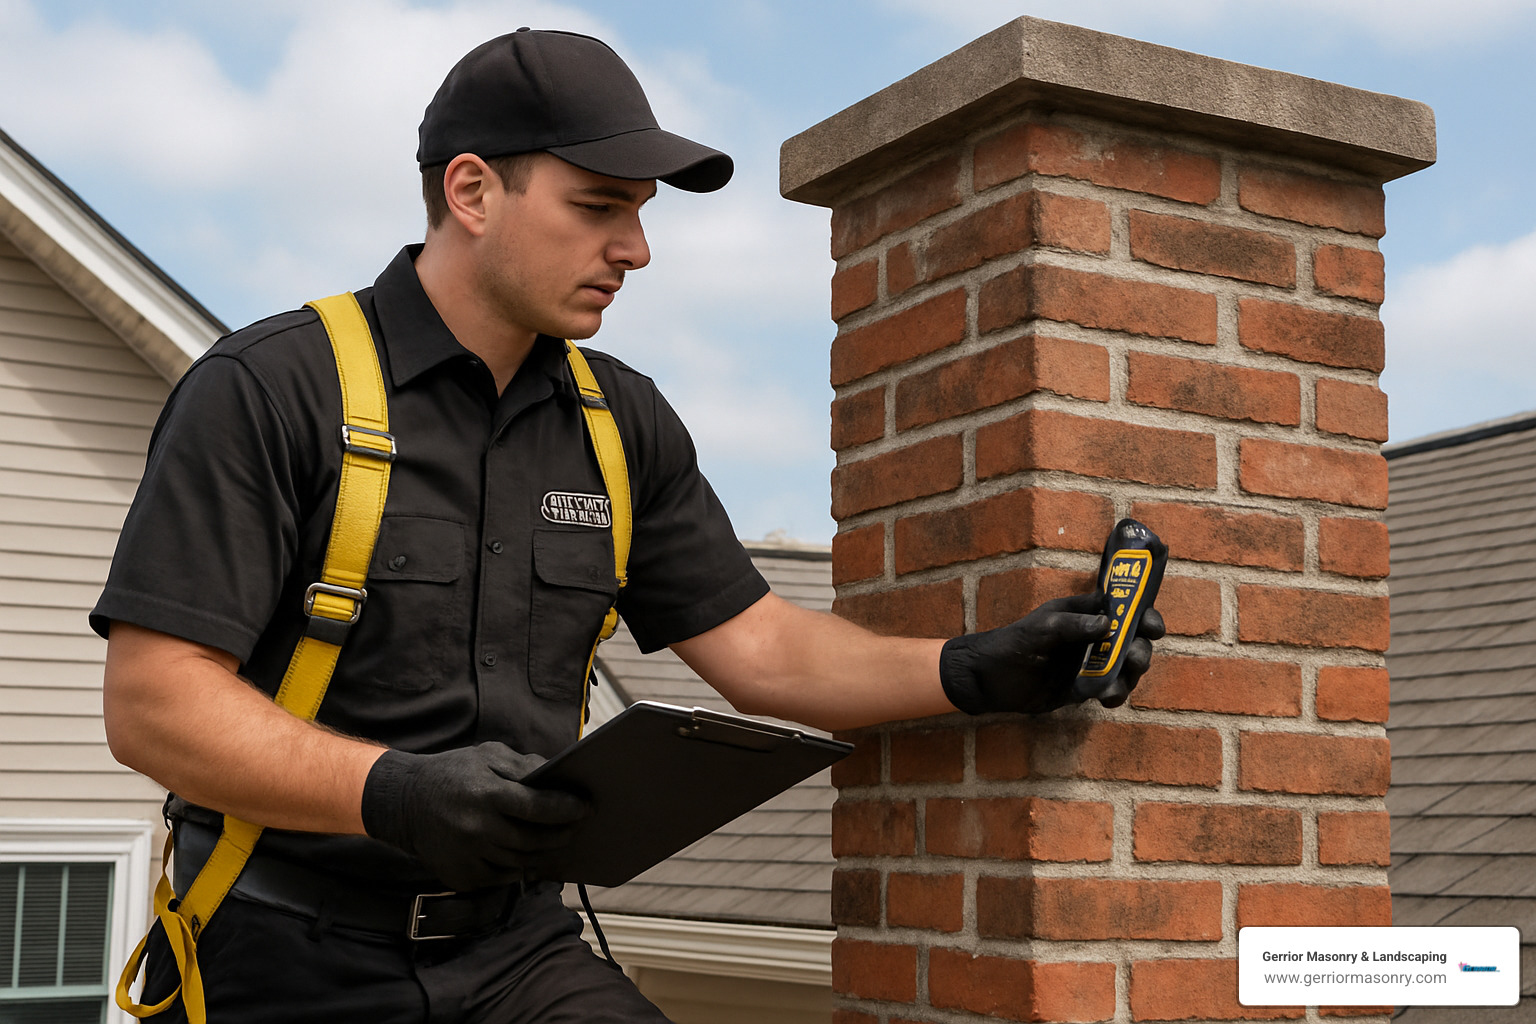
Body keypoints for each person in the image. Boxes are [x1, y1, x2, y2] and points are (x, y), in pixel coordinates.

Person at [95, 28, 1163, 1024]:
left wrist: (977, 670)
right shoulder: (269, 389)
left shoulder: (621, 422)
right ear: (472, 190)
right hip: (278, 953)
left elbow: (762, 649)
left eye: (642, 211)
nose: (637, 248)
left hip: (518, 953)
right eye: (600, 206)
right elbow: (155, 706)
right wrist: (394, 790)